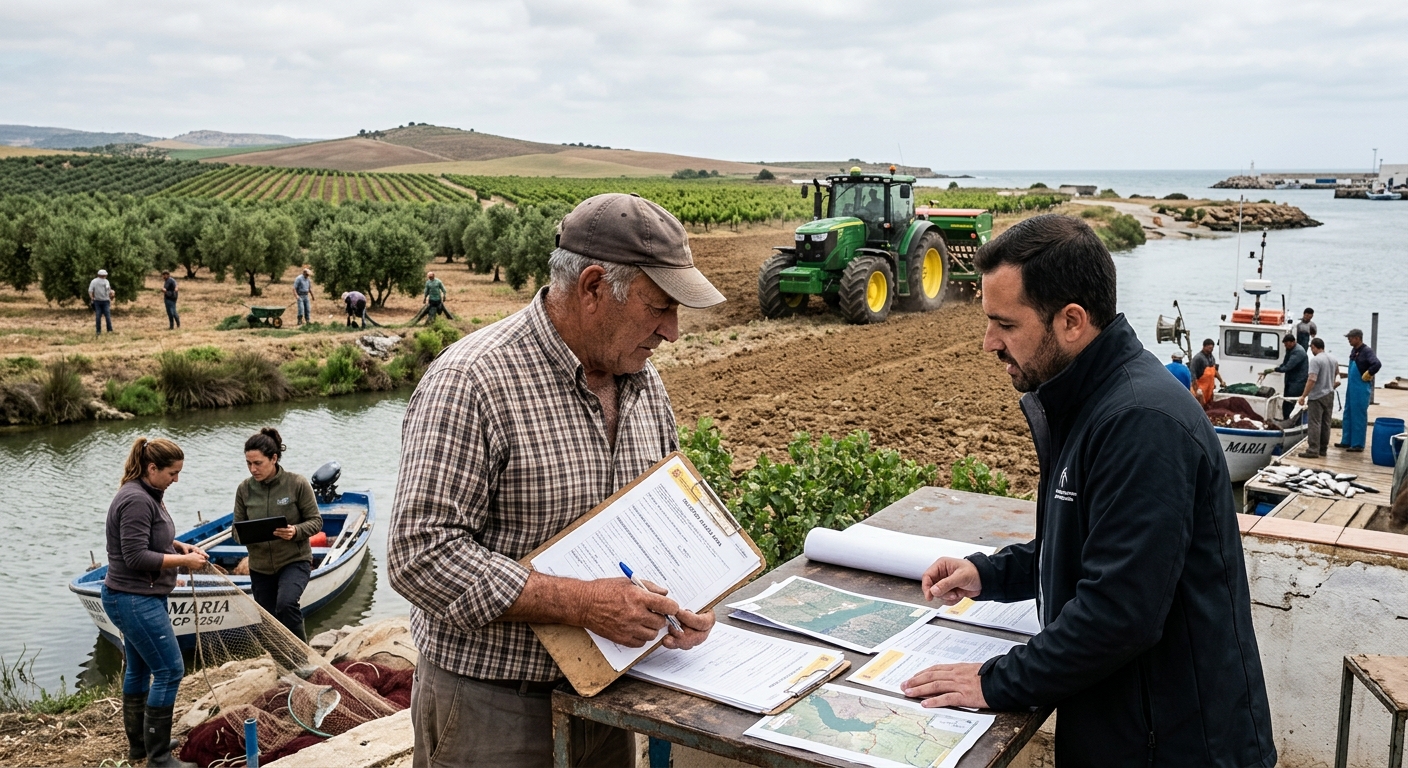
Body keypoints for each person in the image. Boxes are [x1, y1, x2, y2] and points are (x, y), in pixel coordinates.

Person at [902, 214, 1275, 766]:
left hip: (1178, 748)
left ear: (1072, 321)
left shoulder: (1141, 422)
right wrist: (990, 573)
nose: (988, 343)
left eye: (1004, 323)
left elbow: (1120, 611)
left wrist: (996, 681)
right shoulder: (1089, 398)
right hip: (1131, 731)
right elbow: (1090, 545)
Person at [389, 192, 727, 767]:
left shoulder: (643, 382)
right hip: (491, 710)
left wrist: (690, 599)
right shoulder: (473, 382)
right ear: (594, 287)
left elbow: (667, 507)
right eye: (659, 307)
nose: (672, 331)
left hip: (607, 699)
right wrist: (583, 604)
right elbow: (420, 555)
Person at [103, 437, 206, 768]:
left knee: (140, 668)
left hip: (138, 595)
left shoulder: (147, 493)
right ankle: (160, 758)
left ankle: (141, 747)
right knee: (170, 669)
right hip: (133, 598)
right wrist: (183, 564)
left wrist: (179, 547)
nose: (176, 479)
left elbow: (150, 536)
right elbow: (135, 556)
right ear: (152, 468)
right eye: (173, 473)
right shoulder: (135, 499)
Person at [232, 428, 322, 641]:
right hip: (260, 566)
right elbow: (236, 530)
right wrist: (245, 534)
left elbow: (316, 522)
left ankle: (303, 657)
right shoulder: (244, 490)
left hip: (294, 560)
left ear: (273, 458)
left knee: (286, 604)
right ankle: (281, 661)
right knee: (268, 617)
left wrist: (295, 531)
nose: (252, 469)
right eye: (248, 463)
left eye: (258, 463)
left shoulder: (297, 483)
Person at [1339, 328, 1382, 452]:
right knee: (1348, 413)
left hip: (1361, 388)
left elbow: (1377, 364)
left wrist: (1369, 373)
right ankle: (1346, 440)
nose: (1348, 340)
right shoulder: (1355, 350)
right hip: (1351, 388)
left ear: (1357, 338)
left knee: (1358, 415)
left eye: (1350, 338)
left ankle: (1357, 444)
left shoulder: (1367, 351)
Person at [1299, 338, 1339, 458]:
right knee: (1326, 423)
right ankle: (1323, 449)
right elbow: (1337, 374)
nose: (1311, 350)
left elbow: (1312, 379)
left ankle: (1313, 449)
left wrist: (1304, 395)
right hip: (1329, 393)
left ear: (1315, 347)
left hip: (1317, 395)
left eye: (1311, 348)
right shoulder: (1333, 359)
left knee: (1315, 423)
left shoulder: (1315, 361)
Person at [1267, 333, 1308, 418]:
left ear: (1293, 342)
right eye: (1285, 345)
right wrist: (1279, 367)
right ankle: (1287, 419)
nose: (1285, 346)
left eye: (1287, 344)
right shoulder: (1290, 349)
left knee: (1290, 404)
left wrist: (1275, 369)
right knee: (1286, 403)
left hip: (1297, 382)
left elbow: (1287, 367)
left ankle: (1291, 421)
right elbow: (1285, 363)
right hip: (1291, 381)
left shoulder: (1298, 352)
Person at [89, 268, 114, 335]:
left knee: (98, 316)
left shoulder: (95, 281)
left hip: (99, 301)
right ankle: (108, 330)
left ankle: (99, 331)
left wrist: (92, 298)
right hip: (102, 301)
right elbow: (109, 291)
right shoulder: (104, 281)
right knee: (107, 316)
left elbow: (90, 291)